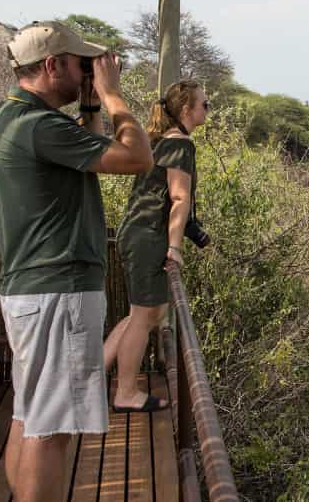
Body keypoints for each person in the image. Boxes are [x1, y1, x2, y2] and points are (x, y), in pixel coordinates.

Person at [0, 20, 153, 502]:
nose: (87, 75)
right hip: (59, 289)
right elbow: (138, 158)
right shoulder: (41, 127)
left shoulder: (4, 118)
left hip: (30, 289)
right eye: (81, 66)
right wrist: (114, 95)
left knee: (30, 415)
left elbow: (86, 153)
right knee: (52, 431)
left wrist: (92, 105)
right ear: (52, 65)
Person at [103, 80, 209, 414]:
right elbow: (178, 199)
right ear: (187, 110)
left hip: (138, 232)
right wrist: (174, 248)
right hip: (148, 235)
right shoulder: (180, 144)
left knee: (145, 311)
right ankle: (125, 393)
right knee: (145, 317)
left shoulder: (163, 141)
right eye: (205, 104)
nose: (208, 109)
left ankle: (90, 377)